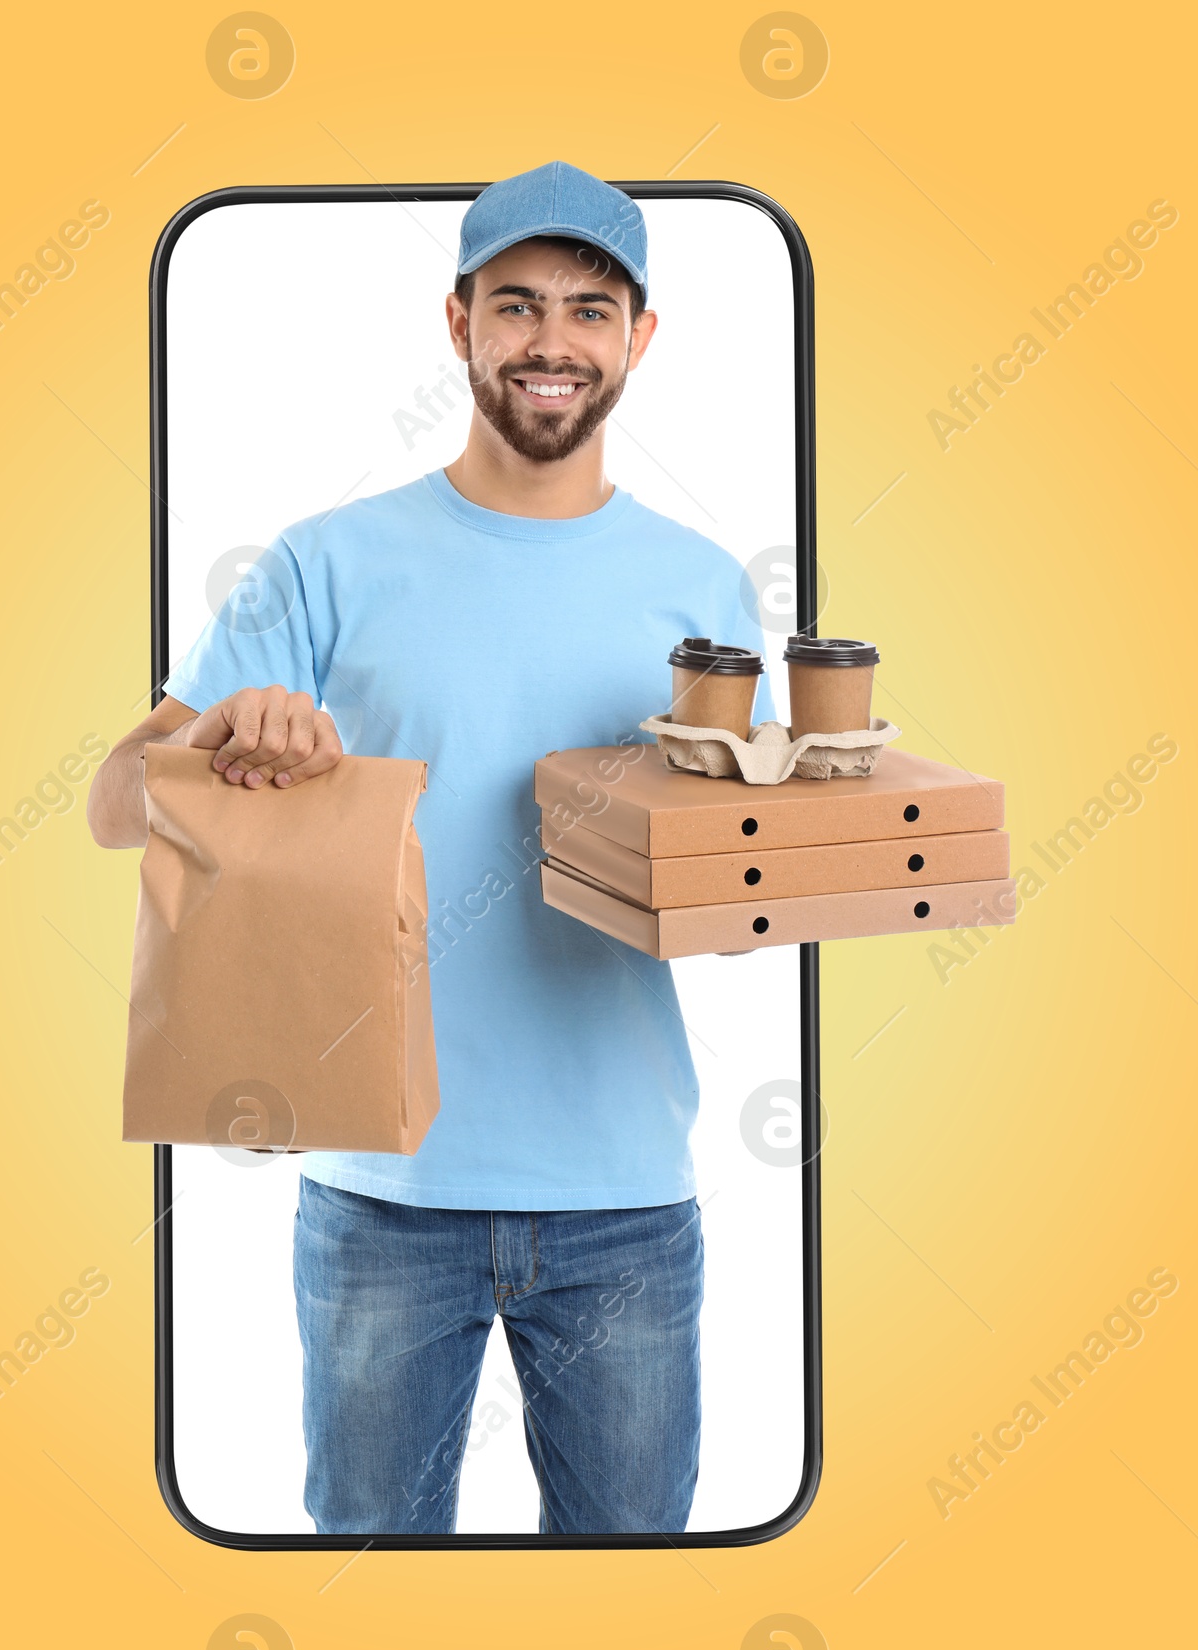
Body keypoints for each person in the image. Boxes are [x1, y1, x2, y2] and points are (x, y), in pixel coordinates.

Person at [88, 160, 773, 1535]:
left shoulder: (705, 588)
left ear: (640, 339)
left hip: (627, 1197)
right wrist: (226, 727)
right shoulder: (325, 564)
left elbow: (746, 865)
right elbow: (116, 804)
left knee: (634, 1631)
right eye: (515, 303)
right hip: (379, 1201)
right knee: (362, 1620)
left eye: (590, 307)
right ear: (456, 322)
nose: (551, 341)